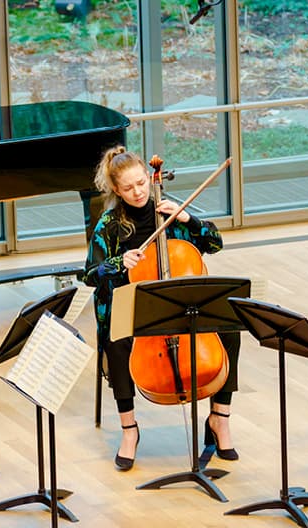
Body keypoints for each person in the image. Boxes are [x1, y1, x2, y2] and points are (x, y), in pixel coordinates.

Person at [82, 146, 241, 471]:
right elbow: (88, 275)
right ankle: (129, 430)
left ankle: (219, 418)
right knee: (117, 341)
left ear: (149, 178)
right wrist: (117, 263)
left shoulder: (172, 213)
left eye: (141, 183)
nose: (138, 191)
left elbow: (214, 244)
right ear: (116, 190)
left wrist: (189, 219)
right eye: (128, 188)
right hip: (133, 310)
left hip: (182, 307)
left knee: (229, 330)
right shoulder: (109, 225)